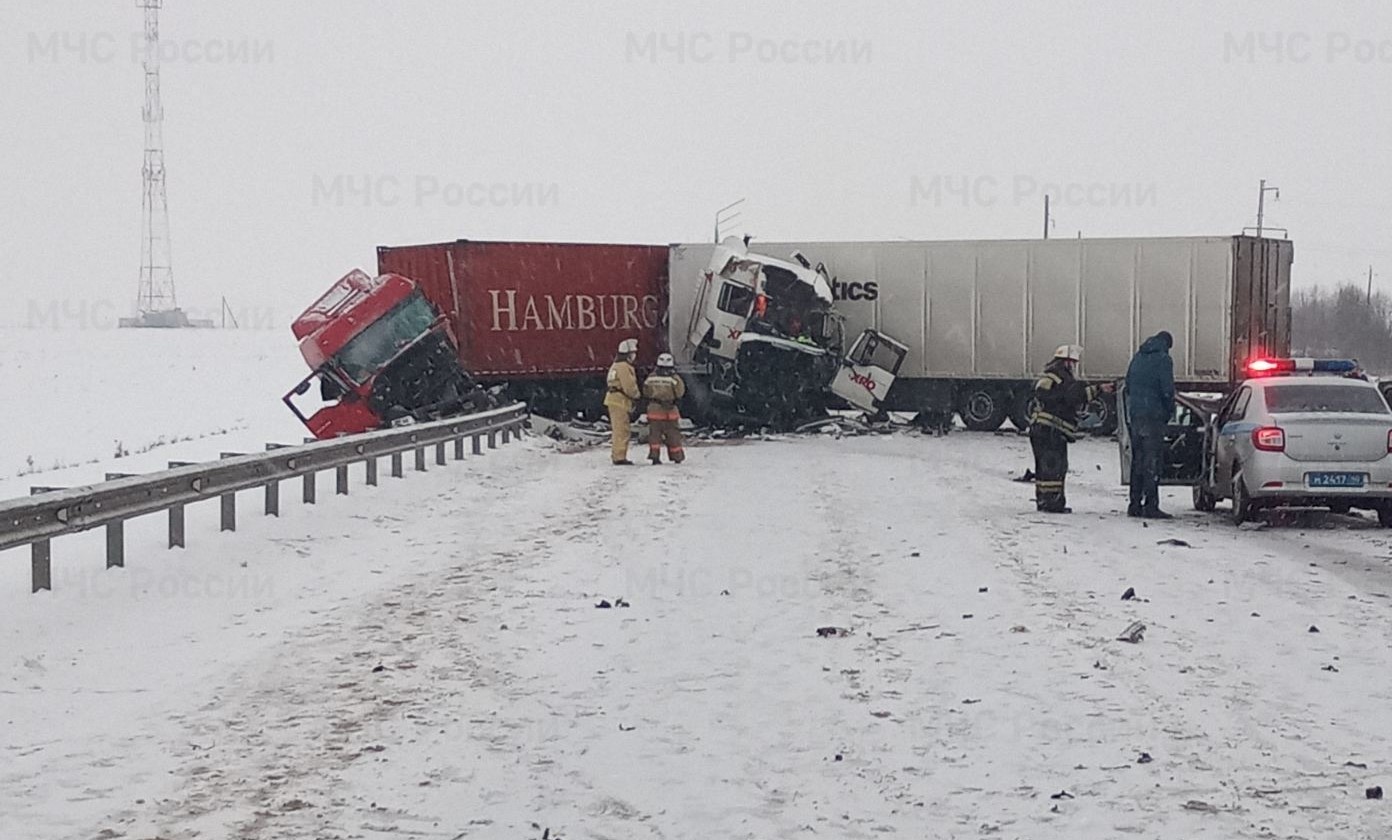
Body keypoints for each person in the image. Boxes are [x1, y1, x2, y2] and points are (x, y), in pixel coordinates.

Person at [1029, 344, 1114, 513]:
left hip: (1041, 429)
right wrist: (1099, 389)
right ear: (1066, 362)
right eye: (1072, 363)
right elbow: (1073, 396)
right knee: (1055, 468)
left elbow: (1054, 395)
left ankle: (1044, 501)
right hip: (1050, 430)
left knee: (1044, 468)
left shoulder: (1051, 375)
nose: (1074, 367)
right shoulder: (1061, 377)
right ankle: (1053, 503)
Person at [1124, 330, 1176, 518]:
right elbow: (1167, 390)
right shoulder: (1163, 360)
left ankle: (1134, 504)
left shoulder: (1138, 357)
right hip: (1153, 417)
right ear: (1167, 345)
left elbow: (1128, 385)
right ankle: (1151, 505)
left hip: (1136, 416)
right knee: (1152, 462)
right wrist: (1169, 411)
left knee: (1137, 461)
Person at [642, 353, 686, 464]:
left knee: (654, 435)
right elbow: (680, 392)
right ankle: (677, 457)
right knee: (673, 435)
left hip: (654, 411)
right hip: (670, 411)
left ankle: (654, 456)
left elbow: (646, 392)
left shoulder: (651, 377)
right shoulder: (674, 378)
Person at [604, 338, 641, 465]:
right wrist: (637, 395)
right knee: (622, 429)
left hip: (613, 400)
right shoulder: (624, 367)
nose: (634, 355)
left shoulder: (615, 365)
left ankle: (617, 454)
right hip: (620, 401)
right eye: (633, 353)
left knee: (617, 429)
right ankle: (619, 457)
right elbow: (629, 386)